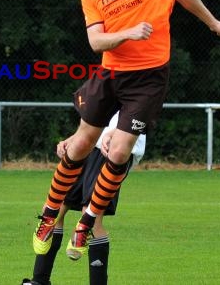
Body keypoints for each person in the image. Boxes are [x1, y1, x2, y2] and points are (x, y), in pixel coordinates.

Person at [33, 0, 220, 259]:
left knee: (120, 151)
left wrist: (213, 23)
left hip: (150, 78)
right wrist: (128, 32)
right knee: (81, 143)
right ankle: (48, 212)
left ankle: (85, 224)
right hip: (111, 73)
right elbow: (96, 42)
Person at [23, 112, 145, 285]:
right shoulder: (104, 87)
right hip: (88, 145)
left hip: (112, 149)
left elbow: (139, 117)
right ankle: (39, 281)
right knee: (52, 210)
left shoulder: (143, 89)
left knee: (91, 218)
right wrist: (74, 138)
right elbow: (98, 118)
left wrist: (113, 134)